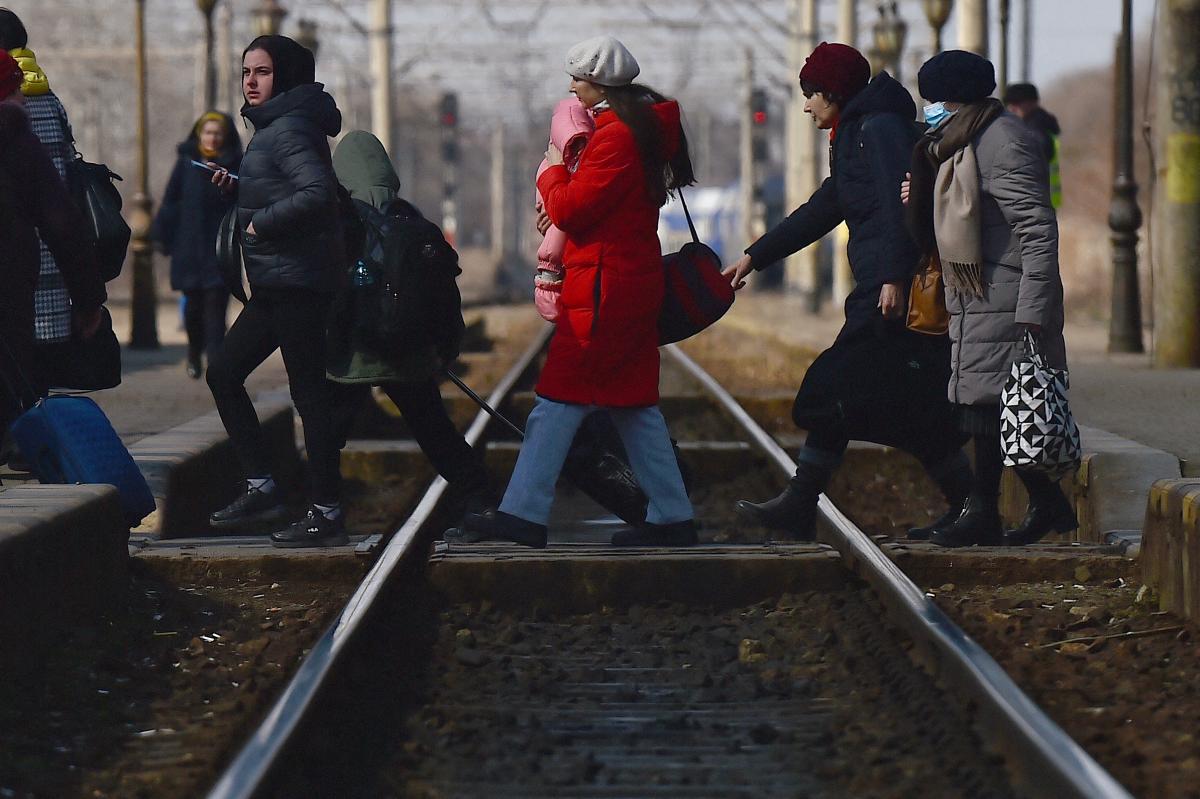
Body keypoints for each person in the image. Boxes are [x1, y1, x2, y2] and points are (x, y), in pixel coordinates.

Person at [450, 35, 696, 549]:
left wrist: (553, 169)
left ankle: (523, 513)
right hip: (618, 283)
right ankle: (672, 514)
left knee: (558, 402)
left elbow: (572, 209)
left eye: (577, 78)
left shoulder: (617, 139)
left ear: (600, 83)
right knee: (633, 407)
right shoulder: (630, 133)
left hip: (604, 292)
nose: (571, 87)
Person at [723, 42, 970, 541]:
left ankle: (801, 499)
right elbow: (825, 206)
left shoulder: (877, 129)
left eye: (812, 94)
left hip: (887, 292)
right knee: (907, 409)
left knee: (833, 388)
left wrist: (894, 278)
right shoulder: (854, 131)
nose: (807, 105)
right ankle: (969, 503)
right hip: (879, 285)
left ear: (834, 91)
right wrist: (756, 255)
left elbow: (902, 205)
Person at [904, 50, 1074, 548]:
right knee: (988, 405)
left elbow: (1039, 229)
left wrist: (1033, 310)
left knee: (988, 406)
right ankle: (1044, 505)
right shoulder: (960, 143)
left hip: (1008, 295)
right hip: (978, 294)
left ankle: (984, 513)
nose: (931, 110)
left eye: (935, 101)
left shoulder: (1002, 143)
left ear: (954, 99)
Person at [204, 35, 349, 548]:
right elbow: (288, 188)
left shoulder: (287, 130)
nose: (249, 81)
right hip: (277, 283)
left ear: (284, 77)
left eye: (261, 73)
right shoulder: (273, 131)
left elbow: (318, 193)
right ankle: (263, 484)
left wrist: (261, 223)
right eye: (246, 71)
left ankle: (326, 510)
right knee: (223, 373)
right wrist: (239, 188)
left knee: (308, 395)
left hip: (298, 283)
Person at [327, 130, 492, 510]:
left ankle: (324, 509)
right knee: (437, 433)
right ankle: (481, 498)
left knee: (327, 435)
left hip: (353, 357)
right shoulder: (415, 223)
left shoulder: (338, 222)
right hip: (409, 356)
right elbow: (446, 299)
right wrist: (444, 350)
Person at [0, 51, 104, 436]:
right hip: (9, 280)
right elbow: (63, 223)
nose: (23, 98)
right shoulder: (17, 139)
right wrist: (88, 298)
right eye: (15, 88)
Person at [153, 112, 242, 379]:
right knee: (192, 309)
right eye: (207, 133)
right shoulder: (186, 164)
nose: (212, 138)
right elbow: (171, 201)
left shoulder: (235, 165)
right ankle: (193, 352)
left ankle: (215, 361)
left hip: (219, 248)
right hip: (188, 246)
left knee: (216, 309)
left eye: (217, 133)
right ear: (199, 134)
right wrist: (163, 236)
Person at [533, 96, 595, 322]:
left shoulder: (553, 164)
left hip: (588, 272)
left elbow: (567, 210)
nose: (573, 85)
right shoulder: (564, 166)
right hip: (585, 269)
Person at [1002, 82, 1061, 208]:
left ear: (1032, 103)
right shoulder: (1041, 124)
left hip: (1034, 201)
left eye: (1017, 103)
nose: (1012, 108)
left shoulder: (1036, 130)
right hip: (1039, 199)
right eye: (1010, 104)